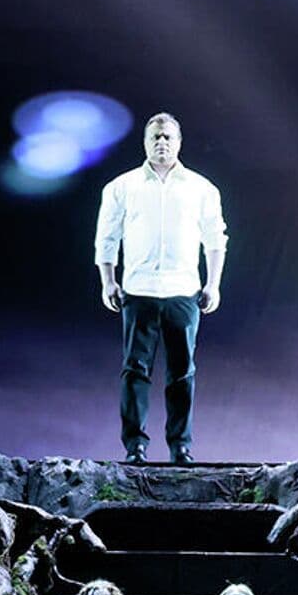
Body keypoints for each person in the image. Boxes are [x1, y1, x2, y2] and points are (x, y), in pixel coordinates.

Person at [94, 109, 227, 464]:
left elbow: (215, 239)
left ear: (179, 142)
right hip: (138, 291)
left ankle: (180, 446)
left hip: (183, 291)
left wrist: (213, 284)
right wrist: (108, 281)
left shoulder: (201, 189)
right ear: (145, 142)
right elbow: (107, 237)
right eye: (156, 136)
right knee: (135, 370)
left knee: (182, 372)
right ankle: (134, 446)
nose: (162, 142)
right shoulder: (122, 187)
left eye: (168, 136)